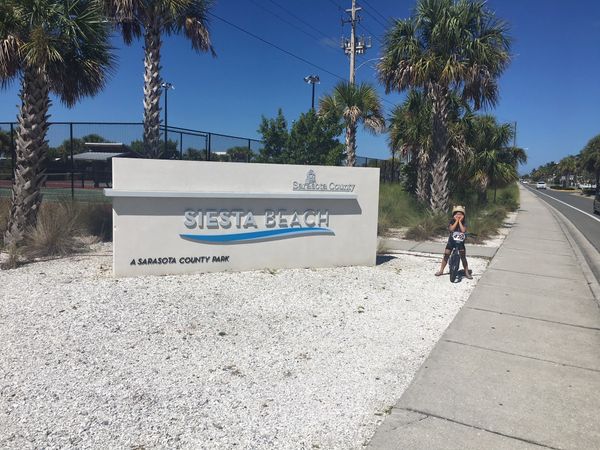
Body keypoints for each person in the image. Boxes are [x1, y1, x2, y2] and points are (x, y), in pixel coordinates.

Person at [435, 205, 472, 279]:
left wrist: (460, 222)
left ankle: (466, 272)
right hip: (451, 241)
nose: (458, 215)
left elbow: (463, 230)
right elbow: (451, 229)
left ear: (463, 215)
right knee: (446, 255)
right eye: (457, 214)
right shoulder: (451, 221)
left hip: (460, 242)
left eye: (460, 214)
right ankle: (441, 270)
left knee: (463, 257)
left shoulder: (464, 222)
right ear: (453, 215)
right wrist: (456, 221)